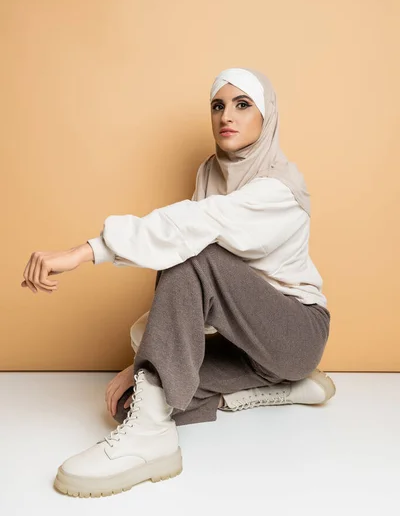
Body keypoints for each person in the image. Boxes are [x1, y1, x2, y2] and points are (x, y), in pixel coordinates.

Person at [21, 67, 334, 498]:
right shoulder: (212, 173)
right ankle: (279, 388)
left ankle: (152, 442)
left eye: (243, 105)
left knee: (193, 252)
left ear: (267, 116)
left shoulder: (280, 188)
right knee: (133, 400)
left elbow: (191, 230)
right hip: (245, 342)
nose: (227, 115)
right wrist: (147, 365)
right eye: (218, 105)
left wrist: (85, 251)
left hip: (295, 333)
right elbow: (199, 291)